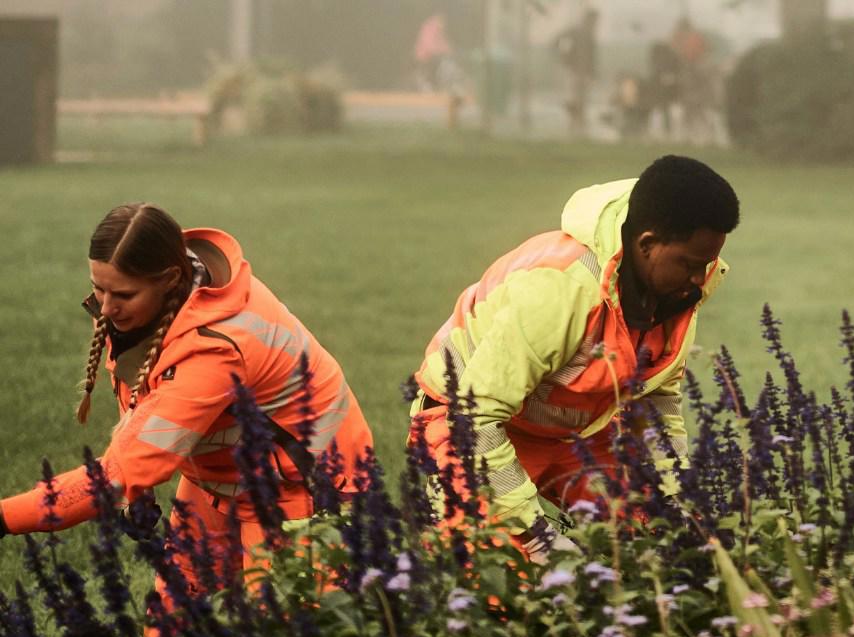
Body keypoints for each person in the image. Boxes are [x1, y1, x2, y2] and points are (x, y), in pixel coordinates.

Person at [0, 203, 376, 596]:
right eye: (99, 288)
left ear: (169, 279)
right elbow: (144, 397)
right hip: (223, 474)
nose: (107, 308)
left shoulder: (213, 349)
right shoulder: (155, 303)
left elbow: (114, 477)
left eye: (123, 294)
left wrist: (4, 517)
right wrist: (138, 488)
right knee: (174, 623)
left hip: (300, 485)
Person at [409, 156, 738, 563]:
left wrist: (678, 502)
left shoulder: (679, 293)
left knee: (654, 546)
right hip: (467, 424)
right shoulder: (560, 288)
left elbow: (655, 404)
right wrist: (536, 535)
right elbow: (475, 418)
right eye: (689, 264)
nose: (698, 278)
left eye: (706, 264)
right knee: (496, 585)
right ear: (647, 244)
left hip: (569, 437)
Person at [555, 8, 601, 138]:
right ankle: (575, 123)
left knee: (582, 97)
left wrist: (592, 74)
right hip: (574, 71)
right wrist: (565, 59)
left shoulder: (589, 34)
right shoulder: (575, 31)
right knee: (575, 97)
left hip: (583, 73)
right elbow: (557, 40)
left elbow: (592, 57)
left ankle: (579, 122)